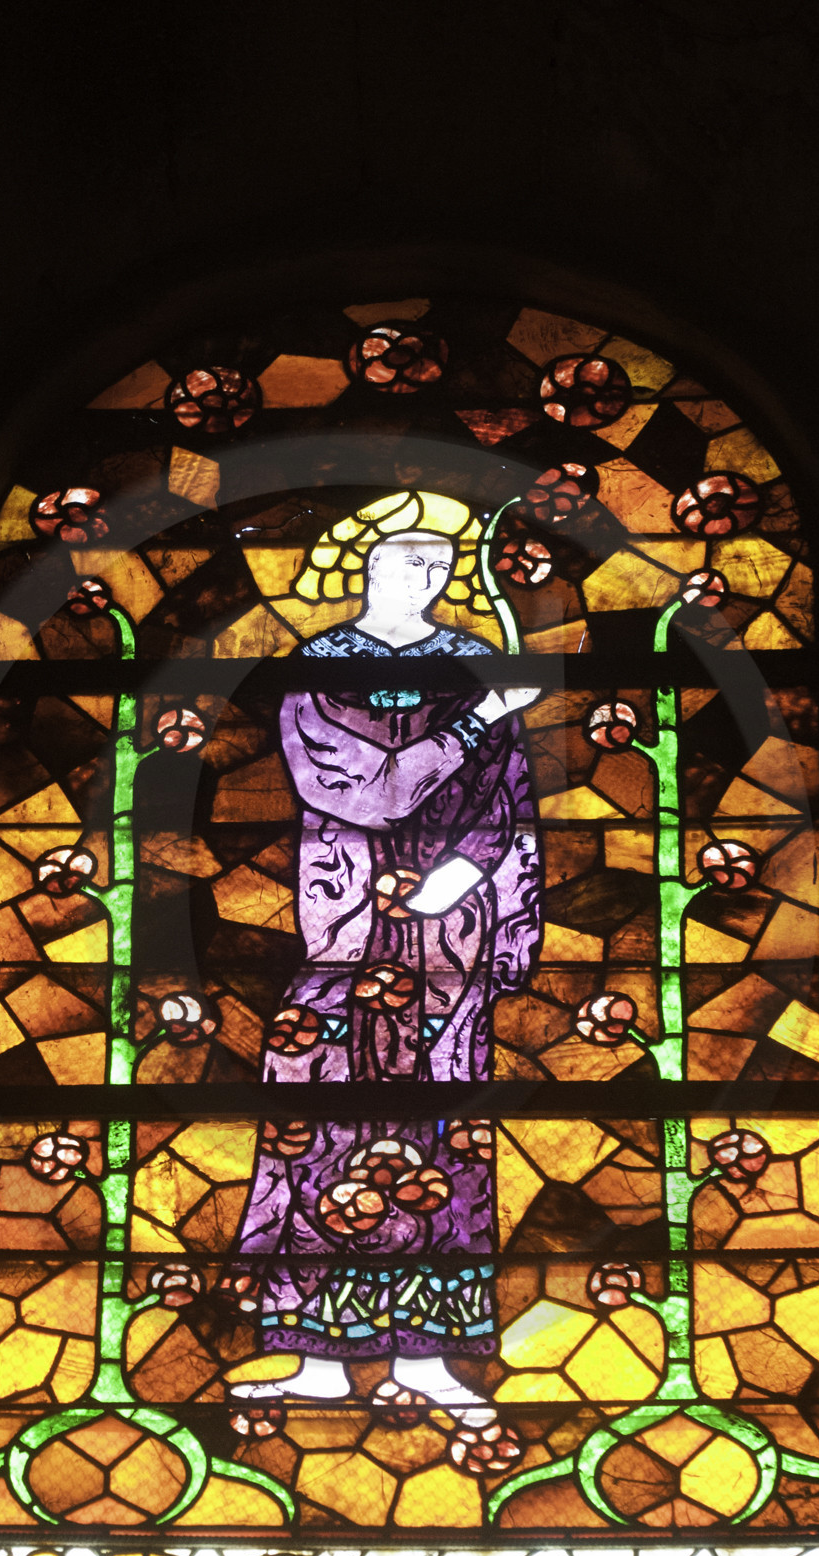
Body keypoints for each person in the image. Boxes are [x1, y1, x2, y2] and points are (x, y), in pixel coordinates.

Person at [223, 526, 542, 1433]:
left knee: (446, 1134)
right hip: (348, 935)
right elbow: (370, 793)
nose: (427, 575)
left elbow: (509, 800)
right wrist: (485, 714)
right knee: (320, 1121)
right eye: (407, 561)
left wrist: (471, 876)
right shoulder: (318, 674)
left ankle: (430, 1357)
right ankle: (321, 1360)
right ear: (368, 569)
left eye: (439, 564)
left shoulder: (473, 666)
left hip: (449, 940)